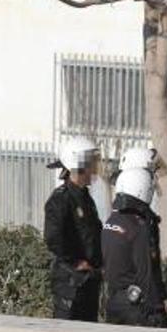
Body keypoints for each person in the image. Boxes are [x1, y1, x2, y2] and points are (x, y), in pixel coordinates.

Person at [43, 137, 103, 322]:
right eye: (90, 163)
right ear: (77, 164)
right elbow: (53, 238)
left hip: (89, 281)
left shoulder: (86, 198)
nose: (94, 169)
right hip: (70, 284)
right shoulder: (61, 199)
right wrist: (75, 262)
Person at [101, 168, 167, 327]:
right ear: (143, 190)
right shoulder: (138, 227)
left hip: (114, 302)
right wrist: (157, 307)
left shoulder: (112, 220)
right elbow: (144, 273)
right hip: (136, 307)